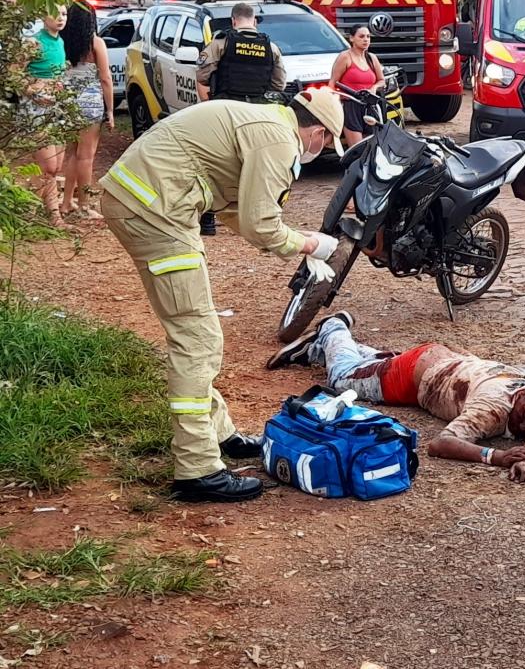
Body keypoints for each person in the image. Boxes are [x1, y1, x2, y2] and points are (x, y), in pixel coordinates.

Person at [99, 89, 350, 503]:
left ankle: (220, 435)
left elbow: (236, 211)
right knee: (197, 337)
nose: (321, 150)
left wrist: (283, 241)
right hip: (156, 210)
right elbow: (259, 223)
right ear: (319, 131)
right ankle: (197, 470)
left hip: (148, 202)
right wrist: (307, 244)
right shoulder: (279, 139)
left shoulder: (264, 122)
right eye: (326, 141)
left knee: (196, 331)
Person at [270, 312, 525, 484]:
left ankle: (315, 350)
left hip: (443, 360)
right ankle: (333, 328)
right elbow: (439, 444)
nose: (521, 425)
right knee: (340, 378)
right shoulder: (493, 409)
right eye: (522, 415)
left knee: (365, 367)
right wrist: (496, 457)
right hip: (409, 377)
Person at [196, 2, 287, 236]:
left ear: (234, 20)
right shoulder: (271, 46)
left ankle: (208, 221)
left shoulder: (221, 43)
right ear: (254, 20)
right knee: (258, 164)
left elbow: (202, 75)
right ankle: (262, 218)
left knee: (213, 163)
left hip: (225, 112)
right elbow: (279, 84)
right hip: (257, 114)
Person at [59, 1, 114, 222]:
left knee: (72, 154)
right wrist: (110, 110)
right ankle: (84, 205)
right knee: (86, 157)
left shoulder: (63, 43)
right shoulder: (95, 43)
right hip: (90, 105)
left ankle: (65, 203)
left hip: (68, 104)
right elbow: (105, 78)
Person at [21, 3, 70, 226]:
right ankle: (53, 216)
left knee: (55, 165)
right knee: (49, 165)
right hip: (36, 108)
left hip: (56, 106)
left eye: (64, 14)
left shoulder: (59, 41)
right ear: (43, 16)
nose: (60, 18)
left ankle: (39, 210)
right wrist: (33, 92)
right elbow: (13, 74)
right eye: (55, 13)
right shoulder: (33, 42)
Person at [330, 24, 386, 149]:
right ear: (352, 38)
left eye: (368, 37)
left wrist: (374, 88)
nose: (365, 40)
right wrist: (335, 107)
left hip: (370, 106)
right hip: (351, 106)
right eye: (361, 36)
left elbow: (382, 80)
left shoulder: (372, 58)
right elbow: (332, 83)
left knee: (373, 148)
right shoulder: (345, 57)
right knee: (357, 150)